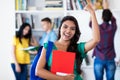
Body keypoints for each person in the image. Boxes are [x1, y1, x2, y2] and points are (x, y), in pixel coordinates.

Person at [35, 2, 100, 80]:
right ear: (60, 28)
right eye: (65, 27)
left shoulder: (78, 48)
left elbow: (96, 40)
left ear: (75, 32)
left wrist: (92, 13)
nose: (68, 31)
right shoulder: (48, 47)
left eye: (72, 29)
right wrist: (62, 78)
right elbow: (38, 71)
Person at [89, 4, 117, 80]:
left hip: (98, 58)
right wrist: (107, 9)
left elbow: (91, 23)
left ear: (101, 18)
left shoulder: (97, 28)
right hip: (110, 59)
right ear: (110, 17)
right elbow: (113, 20)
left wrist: (93, 11)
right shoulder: (113, 28)